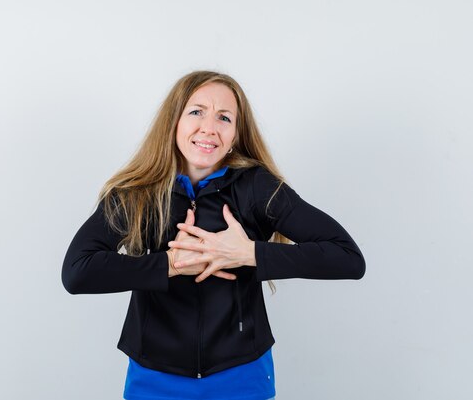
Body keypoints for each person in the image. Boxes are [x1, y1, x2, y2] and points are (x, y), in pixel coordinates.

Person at [61, 70, 366, 400]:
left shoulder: (257, 188)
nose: (209, 127)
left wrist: (248, 254)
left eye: (224, 117)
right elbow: (78, 272)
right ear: (173, 121)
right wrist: (170, 264)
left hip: (241, 375)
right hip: (154, 376)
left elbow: (347, 258)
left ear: (236, 133)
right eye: (196, 111)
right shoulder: (138, 193)